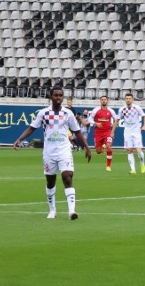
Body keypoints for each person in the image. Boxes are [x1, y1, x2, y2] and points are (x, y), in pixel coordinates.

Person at [12, 87, 92, 220]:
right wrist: (19, 139)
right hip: (49, 152)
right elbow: (32, 128)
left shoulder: (68, 113)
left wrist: (87, 148)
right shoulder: (43, 113)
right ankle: (52, 210)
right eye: (56, 95)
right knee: (50, 181)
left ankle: (71, 211)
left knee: (67, 176)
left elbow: (77, 131)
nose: (59, 97)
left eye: (61, 95)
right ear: (51, 97)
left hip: (64, 150)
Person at [113, 92, 145, 174]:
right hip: (127, 132)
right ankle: (133, 169)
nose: (128, 100)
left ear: (132, 99)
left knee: (139, 151)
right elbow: (117, 120)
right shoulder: (122, 109)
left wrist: (144, 126)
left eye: (129, 99)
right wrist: (112, 131)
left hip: (136, 132)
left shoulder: (137, 108)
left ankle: (142, 164)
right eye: (127, 99)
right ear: (125, 100)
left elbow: (144, 116)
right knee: (129, 150)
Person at [87, 95, 116, 171]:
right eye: (102, 99)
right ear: (100, 101)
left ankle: (108, 166)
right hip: (98, 133)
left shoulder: (111, 111)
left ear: (107, 101)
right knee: (98, 151)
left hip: (107, 132)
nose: (103, 101)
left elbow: (116, 120)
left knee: (109, 146)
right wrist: (95, 123)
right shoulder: (96, 110)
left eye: (105, 99)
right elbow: (89, 119)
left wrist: (113, 127)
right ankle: (103, 146)